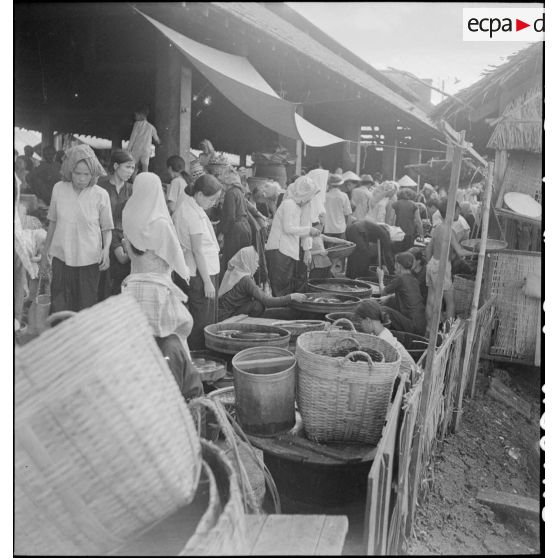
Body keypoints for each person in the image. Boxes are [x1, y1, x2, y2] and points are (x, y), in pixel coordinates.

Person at [120, 176, 201, 401]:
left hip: (132, 285)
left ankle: (137, 386)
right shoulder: (160, 222)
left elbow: (128, 247)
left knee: (138, 340)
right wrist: (186, 269)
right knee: (170, 339)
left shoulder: (128, 213)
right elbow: (175, 258)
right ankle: (171, 391)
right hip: (157, 289)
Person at [39, 145, 113, 313]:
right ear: (69, 171)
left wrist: (106, 250)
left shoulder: (101, 194)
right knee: (60, 302)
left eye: (86, 174)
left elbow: (107, 228)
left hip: (89, 258)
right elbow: (52, 221)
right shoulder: (59, 188)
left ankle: (82, 338)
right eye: (77, 173)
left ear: (93, 173)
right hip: (61, 256)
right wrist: (45, 252)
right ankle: (62, 337)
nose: (81, 178)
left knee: (86, 304)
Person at [173, 174, 222, 350]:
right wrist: (208, 282)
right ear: (200, 194)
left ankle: (201, 356)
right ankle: (199, 356)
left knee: (204, 318)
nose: (214, 203)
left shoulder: (194, 207)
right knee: (201, 320)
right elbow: (197, 250)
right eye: (212, 199)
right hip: (200, 275)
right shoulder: (190, 212)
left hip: (201, 271)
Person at [265, 176, 322, 296]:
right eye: (309, 196)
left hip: (285, 250)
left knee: (285, 284)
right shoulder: (289, 204)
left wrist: (307, 247)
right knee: (280, 285)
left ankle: (283, 309)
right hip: (279, 249)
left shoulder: (296, 206)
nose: (310, 200)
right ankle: (278, 310)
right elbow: (288, 228)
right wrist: (309, 230)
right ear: (303, 193)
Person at [218, 246, 305, 320]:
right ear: (248, 260)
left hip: (221, 314)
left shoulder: (235, 272)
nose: (257, 265)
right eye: (255, 261)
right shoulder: (245, 279)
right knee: (258, 305)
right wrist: (292, 296)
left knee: (257, 302)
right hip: (227, 317)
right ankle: (245, 325)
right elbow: (267, 301)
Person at [424, 199, 471, 334]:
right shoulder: (450, 231)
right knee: (450, 302)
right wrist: (480, 251)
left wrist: (431, 264)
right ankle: (447, 333)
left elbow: (428, 249)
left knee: (431, 300)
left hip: (433, 263)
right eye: (457, 210)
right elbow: (460, 252)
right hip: (442, 267)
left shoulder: (438, 228)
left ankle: (428, 329)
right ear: (451, 212)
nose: (459, 212)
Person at [97, 149, 136, 299]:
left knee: (120, 283)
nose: (130, 171)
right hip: (102, 237)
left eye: (132, 168)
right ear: (115, 166)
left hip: (123, 239)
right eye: (127, 167)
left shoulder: (131, 190)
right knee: (103, 283)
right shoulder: (101, 186)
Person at [354, 299, 415, 375]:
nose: (360, 325)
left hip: (406, 379)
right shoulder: (383, 332)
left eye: (360, 322)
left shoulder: (383, 342)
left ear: (368, 320)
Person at [377, 251, 426, 336]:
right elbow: (407, 294)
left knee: (383, 309)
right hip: (422, 325)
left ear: (398, 265)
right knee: (391, 301)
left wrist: (380, 278)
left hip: (412, 325)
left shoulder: (400, 278)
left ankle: (382, 334)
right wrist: (388, 298)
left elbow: (382, 292)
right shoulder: (414, 279)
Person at [219, 166, 253, 273]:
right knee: (241, 264)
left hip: (236, 230)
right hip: (244, 227)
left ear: (227, 183)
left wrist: (222, 233)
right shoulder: (239, 191)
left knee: (232, 263)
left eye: (222, 183)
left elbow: (230, 217)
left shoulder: (230, 193)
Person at [127, 106, 160, 173]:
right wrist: (158, 143)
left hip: (137, 149)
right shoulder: (151, 127)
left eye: (136, 115)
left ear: (142, 115)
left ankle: (134, 181)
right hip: (146, 150)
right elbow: (157, 139)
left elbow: (133, 137)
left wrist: (128, 149)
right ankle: (145, 181)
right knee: (145, 168)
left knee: (134, 167)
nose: (135, 117)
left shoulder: (137, 124)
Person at [392, 188, 423, 252]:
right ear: (411, 195)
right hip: (409, 234)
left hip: (397, 233)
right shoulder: (414, 205)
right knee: (408, 253)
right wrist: (421, 234)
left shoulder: (395, 204)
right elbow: (418, 221)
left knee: (397, 254)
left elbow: (391, 218)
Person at [324, 173, 352, 238]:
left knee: (329, 248)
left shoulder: (325, 196)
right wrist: (344, 224)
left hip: (328, 228)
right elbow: (347, 213)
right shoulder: (344, 196)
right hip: (340, 228)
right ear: (340, 184)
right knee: (341, 247)